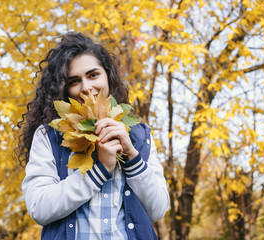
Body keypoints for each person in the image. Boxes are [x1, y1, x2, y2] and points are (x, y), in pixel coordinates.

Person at [16, 32, 169, 240]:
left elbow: (158, 209)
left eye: (93, 75)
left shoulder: (139, 136)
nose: (86, 87)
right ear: (64, 88)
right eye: (74, 80)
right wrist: (100, 170)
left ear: (108, 75)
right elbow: (39, 207)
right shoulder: (49, 135)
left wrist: (132, 156)